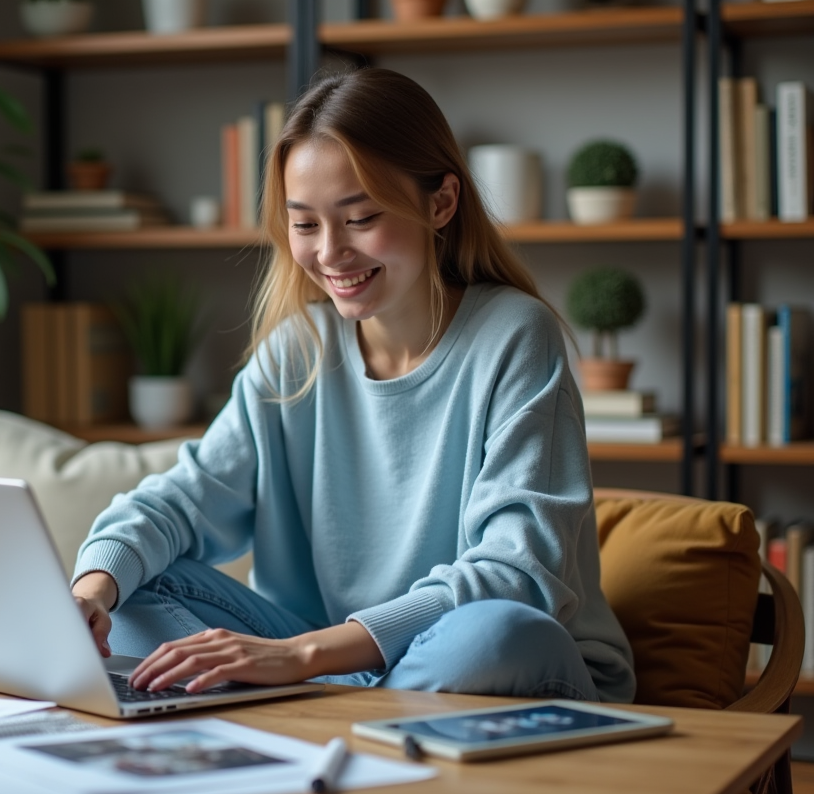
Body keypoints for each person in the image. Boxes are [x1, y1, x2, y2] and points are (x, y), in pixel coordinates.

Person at [70, 67, 635, 704]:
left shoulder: (514, 335)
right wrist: (91, 592)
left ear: (441, 203)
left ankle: (310, 719)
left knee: (497, 633)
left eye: (360, 217)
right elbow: (181, 500)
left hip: (470, 654)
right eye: (305, 225)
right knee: (135, 588)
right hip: (329, 668)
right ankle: (351, 722)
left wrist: (301, 655)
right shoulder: (296, 351)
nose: (330, 252)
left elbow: (514, 573)